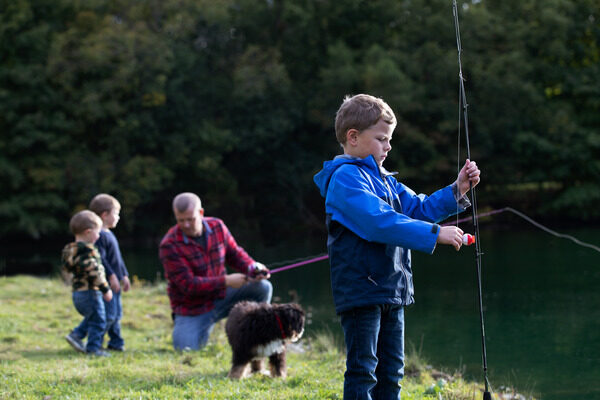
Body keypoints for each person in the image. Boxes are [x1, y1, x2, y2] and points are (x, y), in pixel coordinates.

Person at [313, 94, 481, 399]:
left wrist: (458, 189)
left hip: (392, 289)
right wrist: (435, 234)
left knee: (391, 373)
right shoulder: (345, 180)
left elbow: (418, 208)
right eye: (381, 139)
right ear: (353, 137)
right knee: (364, 370)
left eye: (390, 139)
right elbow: (379, 222)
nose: (388, 146)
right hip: (362, 292)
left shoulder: (387, 180)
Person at [159, 192, 273, 351]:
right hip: (191, 309)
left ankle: (253, 337)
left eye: (190, 219)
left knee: (263, 287)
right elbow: (189, 286)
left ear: (200, 213)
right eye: (180, 220)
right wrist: (226, 281)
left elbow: (235, 254)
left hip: (221, 297)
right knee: (185, 350)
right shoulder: (169, 245)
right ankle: (200, 329)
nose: (185, 224)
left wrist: (253, 268)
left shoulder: (217, 226)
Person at [63, 210, 113, 357]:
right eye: (97, 233)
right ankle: (93, 350)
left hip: (77, 293)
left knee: (92, 317)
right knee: (99, 321)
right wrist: (105, 289)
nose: (98, 236)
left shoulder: (70, 250)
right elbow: (95, 272)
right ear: (88, 232)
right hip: (91, 292)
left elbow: (67, 269)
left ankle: (76, 335)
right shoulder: (88, 252)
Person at [89, 194, 131, 352]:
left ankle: (116, 342)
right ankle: (95, 343)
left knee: (117, 314)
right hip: (107, 284)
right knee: (110, 315)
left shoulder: (109, 233)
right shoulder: (99, 236)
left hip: (116, 283)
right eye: (116, 213)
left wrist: (124, 275)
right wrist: (112, 276)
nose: (118, 217)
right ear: (105, 215)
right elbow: (102, 260)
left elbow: (117, 260)